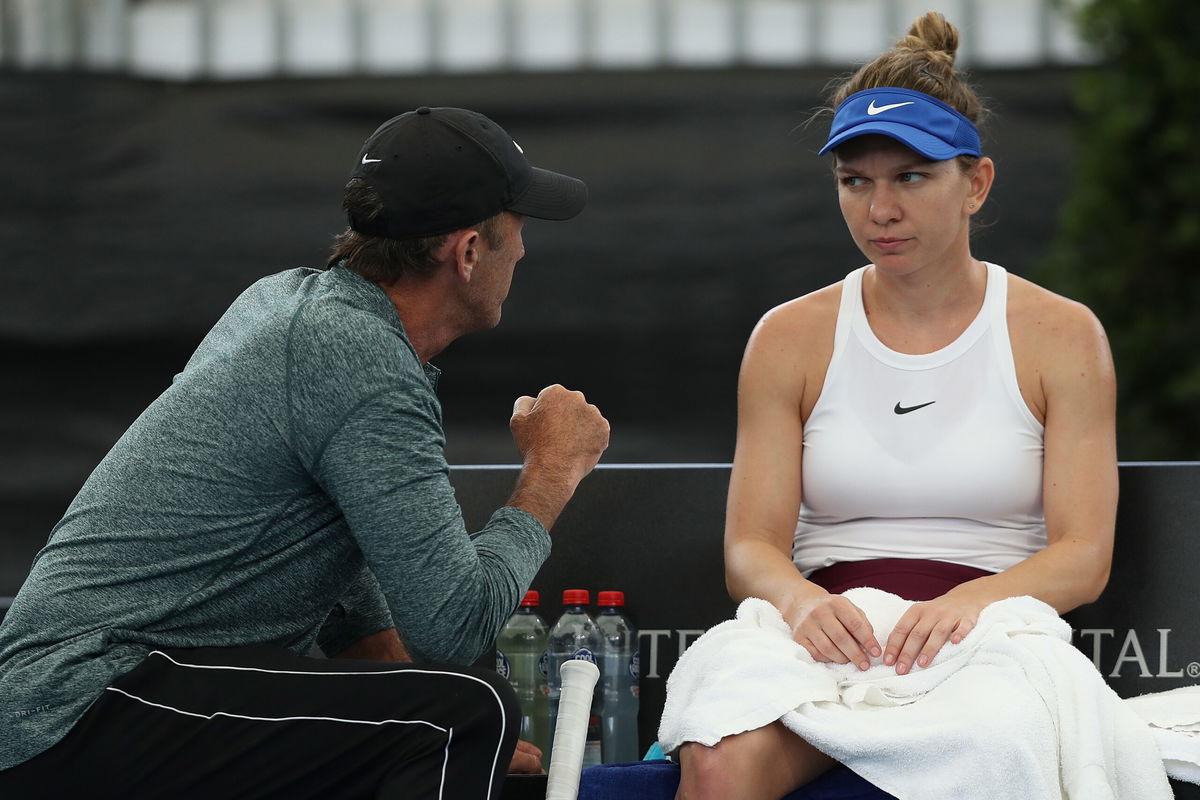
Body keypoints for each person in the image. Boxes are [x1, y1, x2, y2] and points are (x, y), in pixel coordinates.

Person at [0, 105, 610, 798]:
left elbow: (342, 570)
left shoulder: (295, 306)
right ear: (468, 252)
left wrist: (404, 687)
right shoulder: (359, 356)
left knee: (445, 708)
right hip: (83, 702)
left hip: (97, 697)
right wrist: (552, 470)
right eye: (518, 229)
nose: (525, 251)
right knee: (470, 714)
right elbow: (454, 623)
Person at [668, 12, 1117, 799]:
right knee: (715, 755)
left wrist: (966, 604)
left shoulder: (1063, 334)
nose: (879, 209)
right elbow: (750, 549)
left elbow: (1082, 557)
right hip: (821, 629)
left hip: (992, 630)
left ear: (974, 182)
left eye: (910, 176)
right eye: (856, 181)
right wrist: (803, 601)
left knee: (992, 749)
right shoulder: (786, 336)